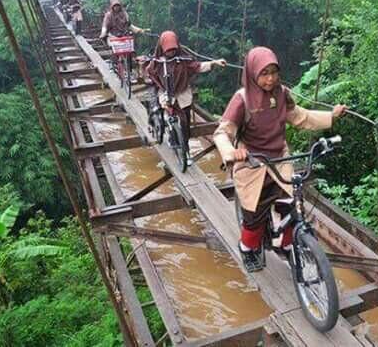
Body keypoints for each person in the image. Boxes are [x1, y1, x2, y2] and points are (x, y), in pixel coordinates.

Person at [213, 46, 346, 272]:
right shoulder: (242, 99)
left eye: (274, 72)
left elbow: (299, 116)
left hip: (280, 160)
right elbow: (222, 132)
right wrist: (232, 152)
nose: (270, 79)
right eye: (264, 73)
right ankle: (247, 248)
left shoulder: (282, 93)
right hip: (252, 163)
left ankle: (286, 244)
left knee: (291, 205)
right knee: (254, 216)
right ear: (253, 73)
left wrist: (330, 116)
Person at [146, 31, 226, 162]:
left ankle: (186, 149)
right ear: (162, 48)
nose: (170, 53)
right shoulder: (157, 62)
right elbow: (150, 73)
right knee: (166, 114)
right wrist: (156, 85)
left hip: (183, 95)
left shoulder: (183, 60)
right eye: (168, 50)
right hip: (165, 93)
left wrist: (214, 63)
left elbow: (198, 66)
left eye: (173, 50)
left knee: (185, 124)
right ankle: (170, 134)